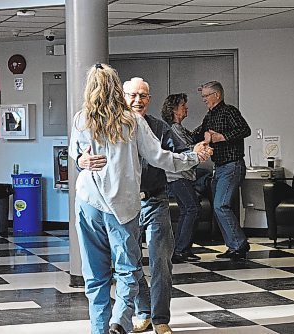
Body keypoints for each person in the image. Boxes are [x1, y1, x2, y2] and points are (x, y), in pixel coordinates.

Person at [69, 64, 211, 334]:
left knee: (95, 275)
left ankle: (100, 329)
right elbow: (160, 157)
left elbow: (75, 155)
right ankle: (120, 321)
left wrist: (81, 160)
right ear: (117, 89)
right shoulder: (131, 121)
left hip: (88, 203)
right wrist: (194, 157)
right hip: (121, 207)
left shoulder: (81, 118)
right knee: (128, 269)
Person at [123, 78, 211, 334]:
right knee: (130, 262)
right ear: (123, 97)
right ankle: (143, 311)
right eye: (133, 95)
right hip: (125, 205)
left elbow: (181, 152)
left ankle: (160, 318)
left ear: (149, 99)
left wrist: (197, 151)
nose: (138, 100)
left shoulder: (158, 127)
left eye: (143, 96)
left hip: (155, 200)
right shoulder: (115, 127)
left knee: (161, 261)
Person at [194, 81, 252, 260]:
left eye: (206, 96)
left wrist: (221, 137)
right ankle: (234, 245)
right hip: (219, 167)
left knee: (221, 205)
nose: (203, 99)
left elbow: (245, 129)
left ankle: (239, 245)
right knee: (219, 206)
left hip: (231, 165)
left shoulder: (229, 111)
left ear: (217, 95)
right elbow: (198, 133)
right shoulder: (210, 115)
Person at [161, 93, 208, 263]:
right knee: (192, 209)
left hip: (183, 175)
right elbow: (185, 150)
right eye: (182, 105)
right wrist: (199, 149)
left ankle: (182, 249)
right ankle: (181, 249)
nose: (186, 108)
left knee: (189, 209)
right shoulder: (173, 129)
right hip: (177, 176)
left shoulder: (180, 129)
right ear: (174, 109)